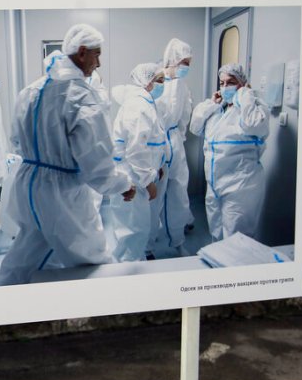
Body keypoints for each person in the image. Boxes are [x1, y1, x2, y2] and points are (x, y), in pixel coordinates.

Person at [0, 24, 135, 286]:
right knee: (90, 255)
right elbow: (97, 162)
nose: (99, 63)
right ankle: (108, 312)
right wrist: (123, 184)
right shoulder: (80, 95)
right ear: (82, 53)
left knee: (30, 249)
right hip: (61, 192)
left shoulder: (31, 91)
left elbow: (16, 139)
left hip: (28, 182)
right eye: (97, 54)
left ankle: (3, 305)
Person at [189, 63, 270, 241]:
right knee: (216, 233)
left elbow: (253, 125)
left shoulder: (255, 108)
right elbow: (195, 127)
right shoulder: (218, 109)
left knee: (237, 239)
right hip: (214, 185)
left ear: (242, 84)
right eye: (222, 83)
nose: (225, 87)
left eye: (231, 82)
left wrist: (245, 96)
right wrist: (211, 104)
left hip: (240, 185)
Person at [103, 62, 168, 262]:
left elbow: (151, 142)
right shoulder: (138, 107)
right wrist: (149, 182)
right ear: (147, 82)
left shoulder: (145, 104)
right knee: (131, 231)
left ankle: (132, 264)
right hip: (132, 177)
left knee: (137, 227)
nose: (163, 85)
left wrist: (158, 169)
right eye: (159, 81)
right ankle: (127, 272)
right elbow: (136, 150)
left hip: (136, 175)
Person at [157, 37, 195, 255]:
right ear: (173, 60)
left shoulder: (182, 86)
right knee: (154, 198)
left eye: (189, 63)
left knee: (179, 191)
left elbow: (185, 115)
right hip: (157, 144)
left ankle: (178, 241)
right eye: (185, 62)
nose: (187, 67)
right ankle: (148, 245)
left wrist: (178, 138)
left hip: (174, 143)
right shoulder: (157, 79)